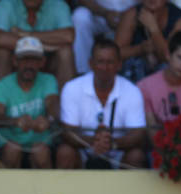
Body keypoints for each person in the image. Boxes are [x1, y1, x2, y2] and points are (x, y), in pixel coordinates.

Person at [56, 39, 147, 169]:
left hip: (118, 151)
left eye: (110, 62)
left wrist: (112, 143)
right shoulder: (72, 88)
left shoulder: (132, 91)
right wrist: (93, 142)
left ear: (119, 65)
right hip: (83, 151)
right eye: (100, 62)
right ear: (91, 64)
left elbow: (138, 134)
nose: (105, 67)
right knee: (65, 152)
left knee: (136, 156)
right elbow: (67, 132)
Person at [0, 36, 60, 168]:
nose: (29, 65)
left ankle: (49, 189)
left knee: (41, 151)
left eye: (34, 60)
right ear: (15, 61)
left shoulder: (48, 80)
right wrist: (15, 121)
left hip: (40, 144)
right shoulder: (1, 86)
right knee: (12, 149)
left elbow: (52, 104)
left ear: (42, 62)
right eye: (24, 60)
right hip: (8, 145)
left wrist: (48, 120)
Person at [0, 0, 75, 86]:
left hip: (48, 58)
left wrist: (26, 34)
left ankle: (67, 98)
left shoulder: (58, 5)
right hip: (17, 57)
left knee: (65, 52)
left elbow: (68, 36)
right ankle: (0, 98)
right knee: (2, 52)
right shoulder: (6, 4)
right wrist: (45, 45)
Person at [114, 0, 181, 83]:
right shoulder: (131, 14)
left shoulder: (180, 18)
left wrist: (153, 28)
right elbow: (116, 52)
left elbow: (169, 57)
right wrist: (140, 49)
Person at [71, 0, 138, 76]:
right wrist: (105, 13)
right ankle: (83, 73)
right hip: (101, 15)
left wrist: (128, 17)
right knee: (80, 16)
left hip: (134, 15)